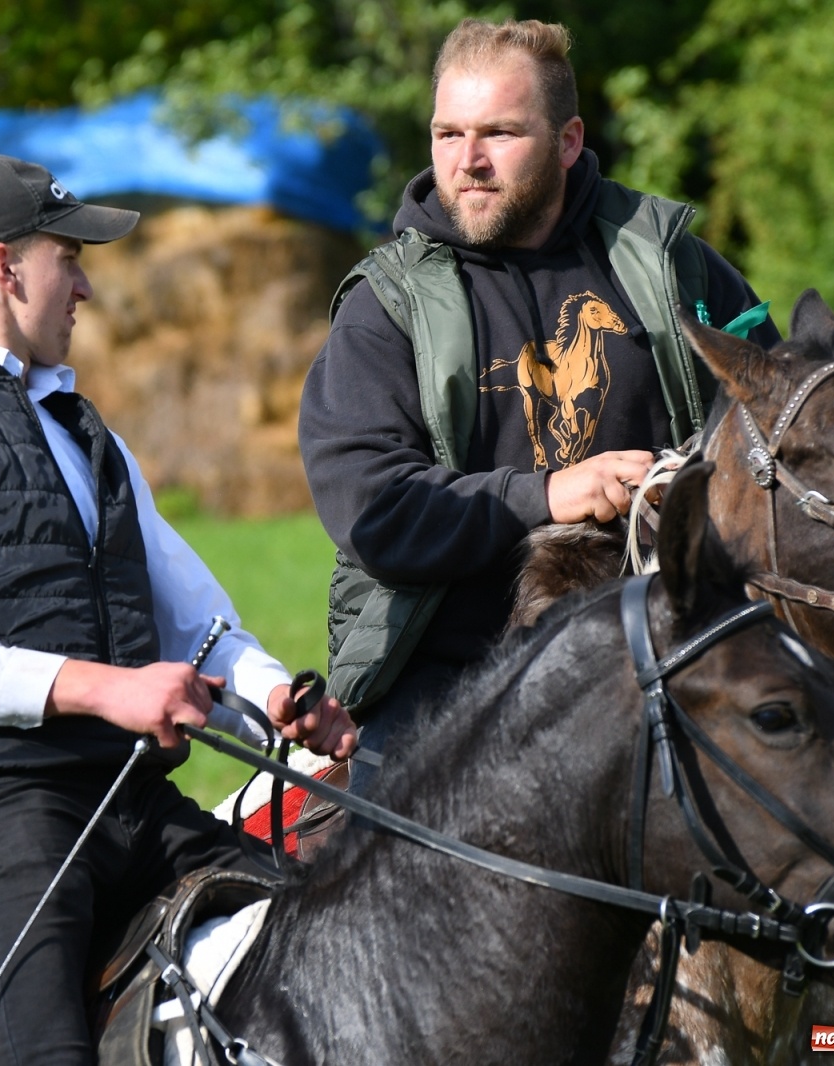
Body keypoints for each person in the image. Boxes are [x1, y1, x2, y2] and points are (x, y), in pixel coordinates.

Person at [0, 153, 355, 1066]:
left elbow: (185, 608)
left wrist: (268, 696)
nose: (88, 285)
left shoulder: (82, 428)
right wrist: (105, 690)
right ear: (4, 267)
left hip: (135, 800)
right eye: (69, 257)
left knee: (331, 953)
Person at [298, 17, 782, 786]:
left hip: (669, 656)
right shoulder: (387, 306)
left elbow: (773, 434)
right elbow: (373, 508)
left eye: (500, 133)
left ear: (567, 140)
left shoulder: (668, 264)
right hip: (452, 675)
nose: (468, 162)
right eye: (448, 134)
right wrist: (550, 494)